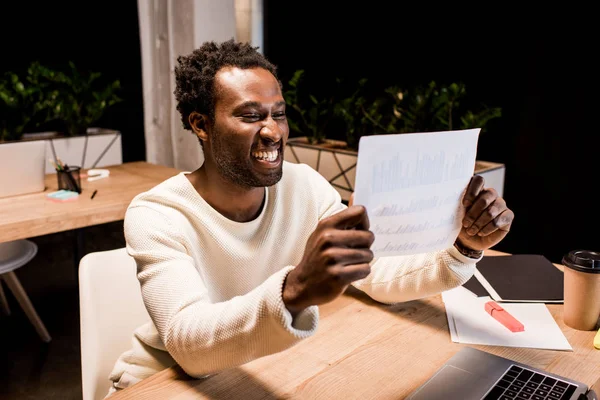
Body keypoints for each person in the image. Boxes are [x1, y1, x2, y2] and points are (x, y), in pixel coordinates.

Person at [106, 39, 514, 395]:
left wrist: (463, 247)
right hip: (163, 381)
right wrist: (295, 288)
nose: (272, 131)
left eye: (278, 113)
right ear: (201, 125)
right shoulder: (157, 213)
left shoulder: (304, 185)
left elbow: (376, 274)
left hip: (260, 368)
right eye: (250, 116)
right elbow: (188, 344)